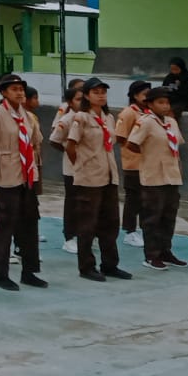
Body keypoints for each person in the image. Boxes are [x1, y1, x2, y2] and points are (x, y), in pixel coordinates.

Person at [0, 73, 46, 292]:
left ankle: (29, 271)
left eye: (21, 89)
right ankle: (1, 273)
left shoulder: (27, 116)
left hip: (27, 175)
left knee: (30, 223)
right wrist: (0, 157)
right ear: (4, 92)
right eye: (14, 89)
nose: (19, 93)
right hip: (8, 176)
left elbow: (36, 142)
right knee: (5, 224)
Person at [60, 77, 132, 283]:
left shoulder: (108, 117)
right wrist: (81, 167)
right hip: (89, 177)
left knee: (110, 223)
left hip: (108, 175)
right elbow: (71, 145)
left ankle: (110, 264)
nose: (101, 95)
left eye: (103, 92)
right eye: (96, 92)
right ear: (87, 96)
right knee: (87, 224)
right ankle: (86, 266)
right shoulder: (81, 118)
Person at [126, 85, 186, 270]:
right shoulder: (146, 122)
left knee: (169, 215)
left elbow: (177, 146)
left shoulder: (171, 122)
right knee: (153, 216)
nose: (165, 106)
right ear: (150, 104)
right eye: (160, 102)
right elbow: (132, 144)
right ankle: (151, 255)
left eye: (167, 102)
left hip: (172, 175)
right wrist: (149, 155)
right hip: (153, 175)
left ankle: (165, 251)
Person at [114, 81, 153, 246]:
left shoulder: (149, 113)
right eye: (145, 94)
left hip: (148, 163)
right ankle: (129, 231)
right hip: (133, 163)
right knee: (133, 199)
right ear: (135, 95)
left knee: (147, 199)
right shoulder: (129, 113)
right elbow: (120, 136)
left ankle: (145, 229)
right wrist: (135, 146)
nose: (147, 98)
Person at [51, 80, 85, 252]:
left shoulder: (95, 116)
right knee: (73, 202)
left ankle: (85, 234)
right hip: (72, 167)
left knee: (88, 203)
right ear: (70, 102)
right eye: (78, 97)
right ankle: (70, 236)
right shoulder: (67, 116)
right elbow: (55, 139)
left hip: (91, 168)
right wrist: (68, 151)